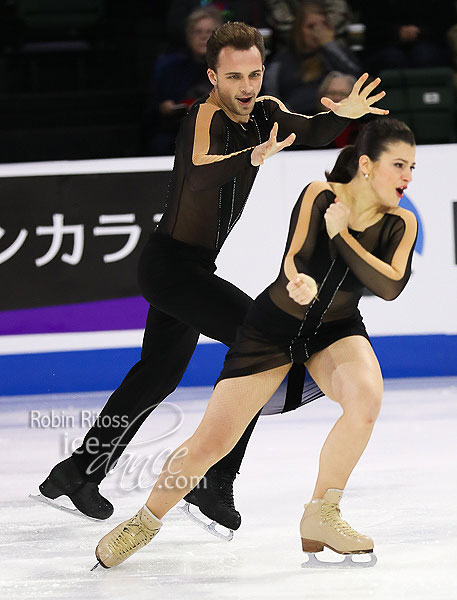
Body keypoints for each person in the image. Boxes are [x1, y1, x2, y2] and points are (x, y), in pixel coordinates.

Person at [38, 21, 387, 533]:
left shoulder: (265, 112)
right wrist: (251, 156)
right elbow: (200, 173)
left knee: (156, 375)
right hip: (169, 267)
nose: (247, 87)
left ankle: (76, 474)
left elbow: (308, 128)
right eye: (235, 77)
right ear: (212, 77)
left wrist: (344, 120)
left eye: (255, 74)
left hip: (192, 269)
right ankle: (214, 481)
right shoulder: (204, 116)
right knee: (259, 338)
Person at [92, 116, 417, 569]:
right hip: (274, 329)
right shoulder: (320, 195)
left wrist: (342, 234)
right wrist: (299, 281)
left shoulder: (400, 223)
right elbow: (295, 258)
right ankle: (144, 522)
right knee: (211, 443)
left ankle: (322, 514)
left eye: (412, 168)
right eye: (398, 165)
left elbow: (390, 285)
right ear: (367, 164)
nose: (406, 177)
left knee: (366, 401)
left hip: (336, 329)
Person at [263, 0, 362, 116]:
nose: (318, 32)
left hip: (335, 121)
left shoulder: (335, 56)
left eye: (324, 25)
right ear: (299, 30)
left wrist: (329, 44)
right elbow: (270, 99)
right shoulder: (281, 61)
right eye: (311, 27)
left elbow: (358, 79)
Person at [145, 7, 222, 155]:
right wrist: (163, 108)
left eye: (209, 32)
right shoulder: (170, 68)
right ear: (188, 36)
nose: (203, 37)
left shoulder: (232, 67)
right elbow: (151, 112)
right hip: (178, 132)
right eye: (198, 32)